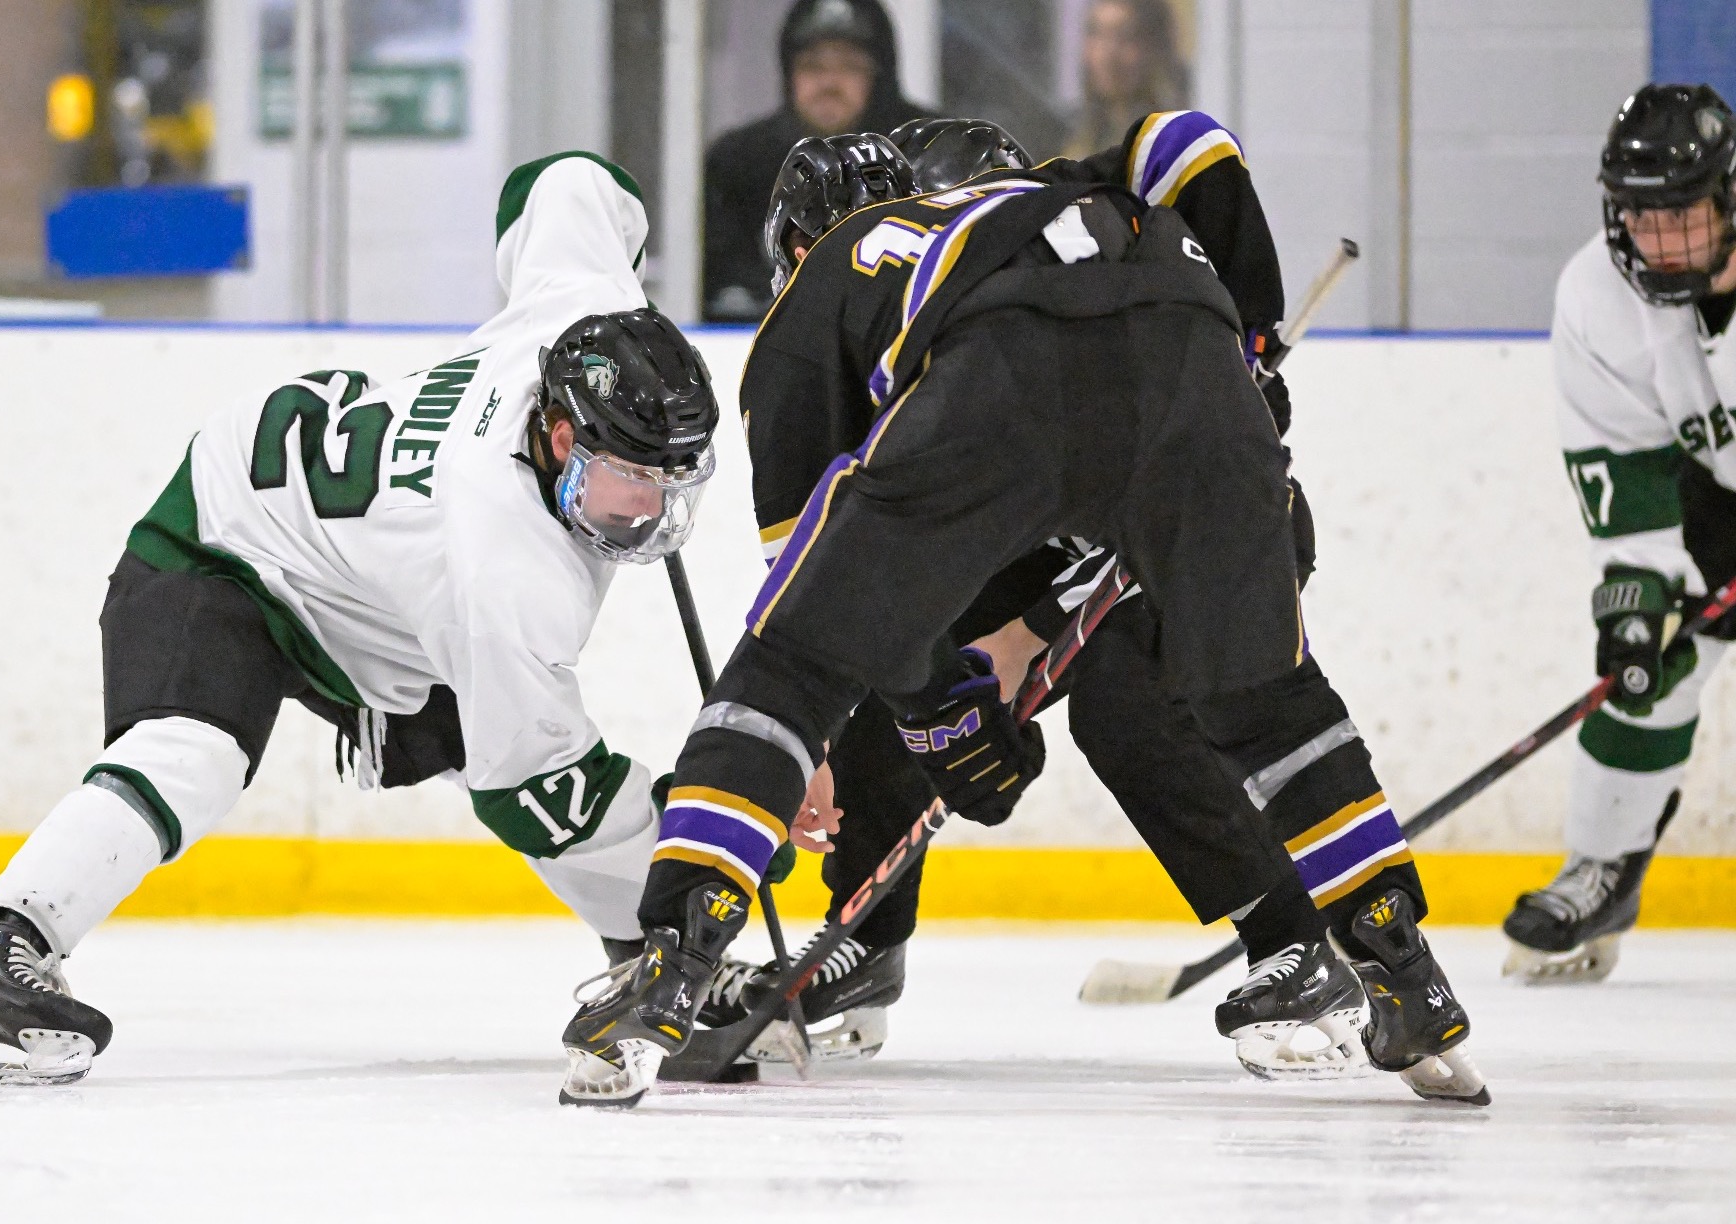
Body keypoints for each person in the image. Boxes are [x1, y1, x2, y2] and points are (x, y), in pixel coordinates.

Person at [558, 114, 1492, 1111]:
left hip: (1003, 375)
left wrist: (931, 709)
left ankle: (671, 963)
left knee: (791, 671)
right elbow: (1186, 142)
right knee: (1273, 705)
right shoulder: (1040, 190)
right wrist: (1246, 339)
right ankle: (1405, 971)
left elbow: (824, 622)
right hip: (1192, 351)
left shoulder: (814, 301)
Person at [0, 152, 721, 1084]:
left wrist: (628, 273)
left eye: (673, 480)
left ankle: (639, 961)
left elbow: (562, 181)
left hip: (366, 580)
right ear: (561, 436)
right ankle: (1, 956)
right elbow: (535, 789)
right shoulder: (505, 571)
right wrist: (702, 864)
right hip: (225, 537)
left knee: (483, 726)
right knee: (192, 753)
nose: (651, 512)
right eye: (629, 480)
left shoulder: (582, 316)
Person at [706, 117, 1361, 1083]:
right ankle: (866, 940)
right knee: (900, 659)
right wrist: (814, 738)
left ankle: (1295, 941)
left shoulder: (1026, 288)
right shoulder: (880, 334)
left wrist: (1029, 633)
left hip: (1193, 553)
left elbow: (1149, 488)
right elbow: (841, 593)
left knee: (1127, 707)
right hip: (1034, 537)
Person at [1502, 83, 1736, 983]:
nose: (1661, 241)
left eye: (1683, 215)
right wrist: (1636, 603)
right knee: (1649, 666)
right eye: (1642, 216)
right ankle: (1603, 866)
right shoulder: (1596, 298)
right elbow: (1628, 478)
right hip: (1708, 491)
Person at [700, 0, 934, 322]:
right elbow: (721, 289)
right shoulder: (736, 163)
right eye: (813, 66)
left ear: (879, 76)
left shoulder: (922, 154)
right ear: (789, 72)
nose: (829, 84)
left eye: (850, 66)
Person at [1058, 0, 1189, 161]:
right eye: (1097, 34)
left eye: (1125, 36)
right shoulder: (1069, 136)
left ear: (1155, 48)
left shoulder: (1174, 140)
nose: (1108, 54)